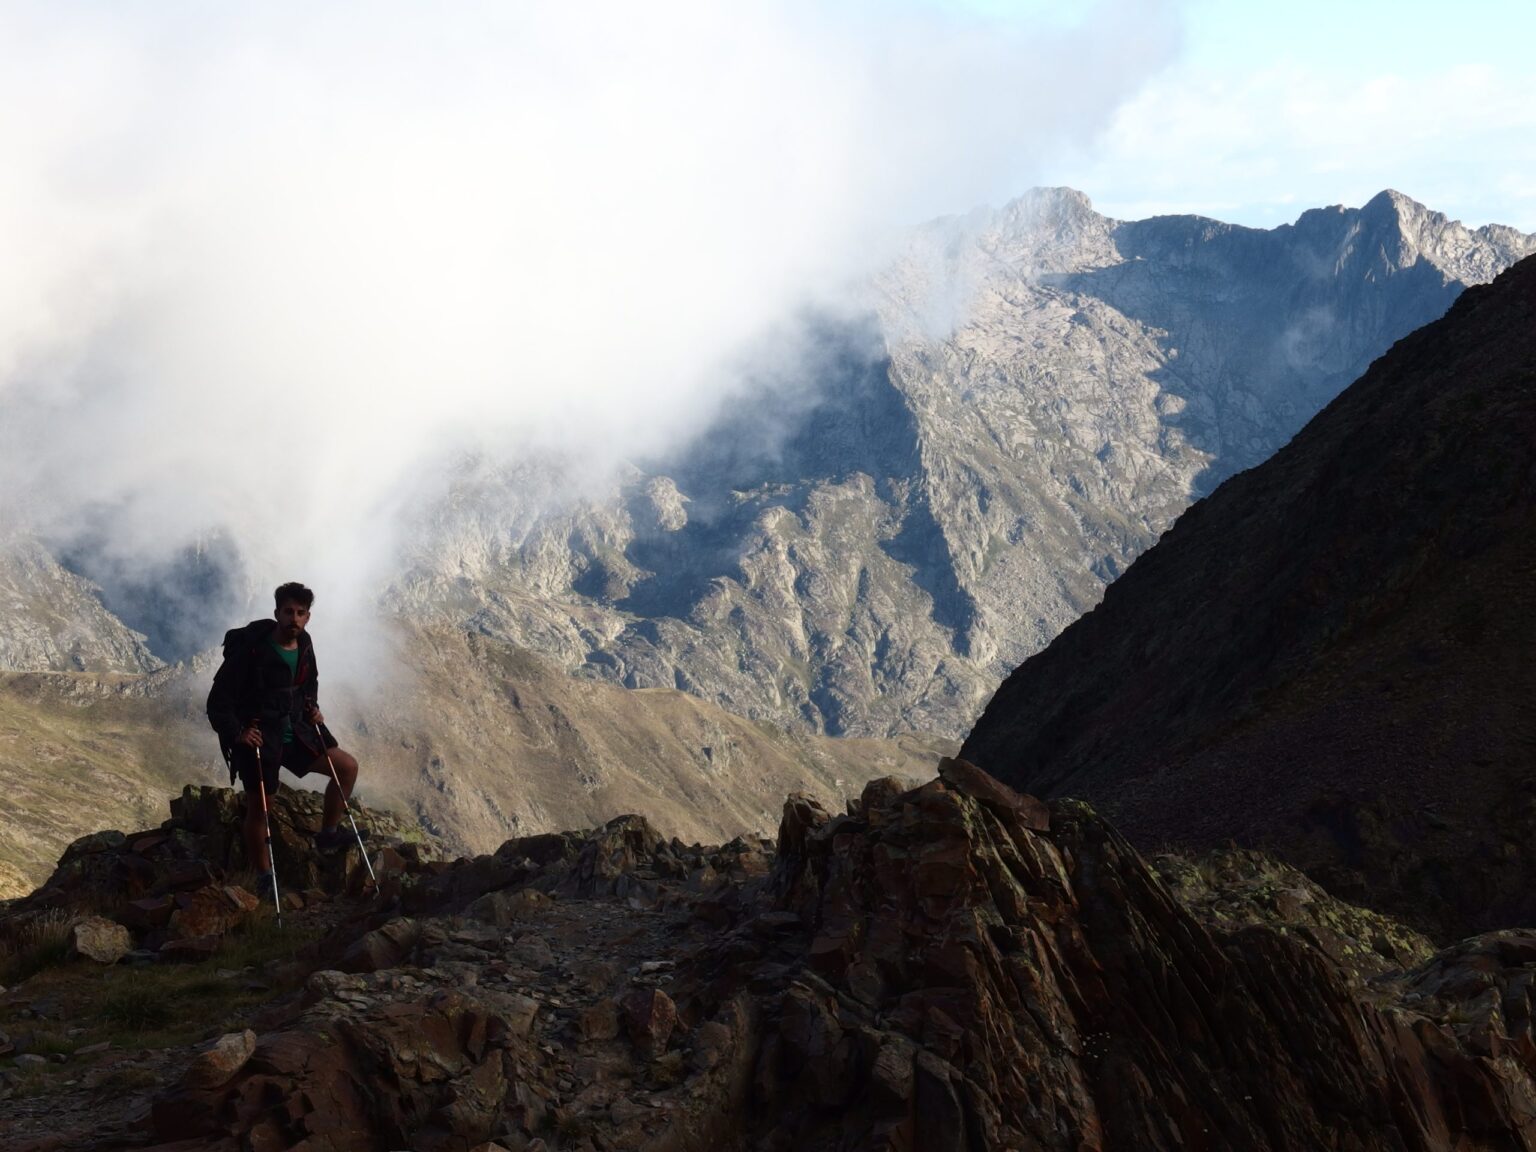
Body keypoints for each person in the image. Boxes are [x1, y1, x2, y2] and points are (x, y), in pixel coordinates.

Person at [206, 581, 366, 892]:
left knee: (346, 767)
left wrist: (313, 709)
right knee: (261, 808)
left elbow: (309, 683)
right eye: (288, 611)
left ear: (308, 617)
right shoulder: (252, 651)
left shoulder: (305, 644)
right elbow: (217, 702)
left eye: (300, 613)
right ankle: (264, 877)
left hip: (296, 732)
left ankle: (328, 834)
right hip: (260, 740)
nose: (294, 618)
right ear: (277, 613)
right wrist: (238, 733)